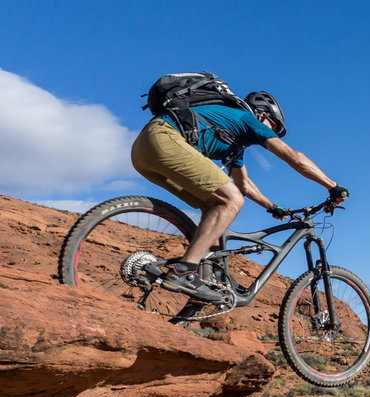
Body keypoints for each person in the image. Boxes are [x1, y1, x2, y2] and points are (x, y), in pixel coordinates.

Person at [130, 91, 348, 302]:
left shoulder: (234, 143)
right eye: (274, 126)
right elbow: (295, 158)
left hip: (142, 151)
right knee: (231, 201)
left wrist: (271, 206)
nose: (273, 132)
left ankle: (209, 281)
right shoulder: (246, 118)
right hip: (164, 138)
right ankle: (184, 270)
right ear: (262, 115)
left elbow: (243, 184)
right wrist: (333, 186)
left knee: (215, 205)